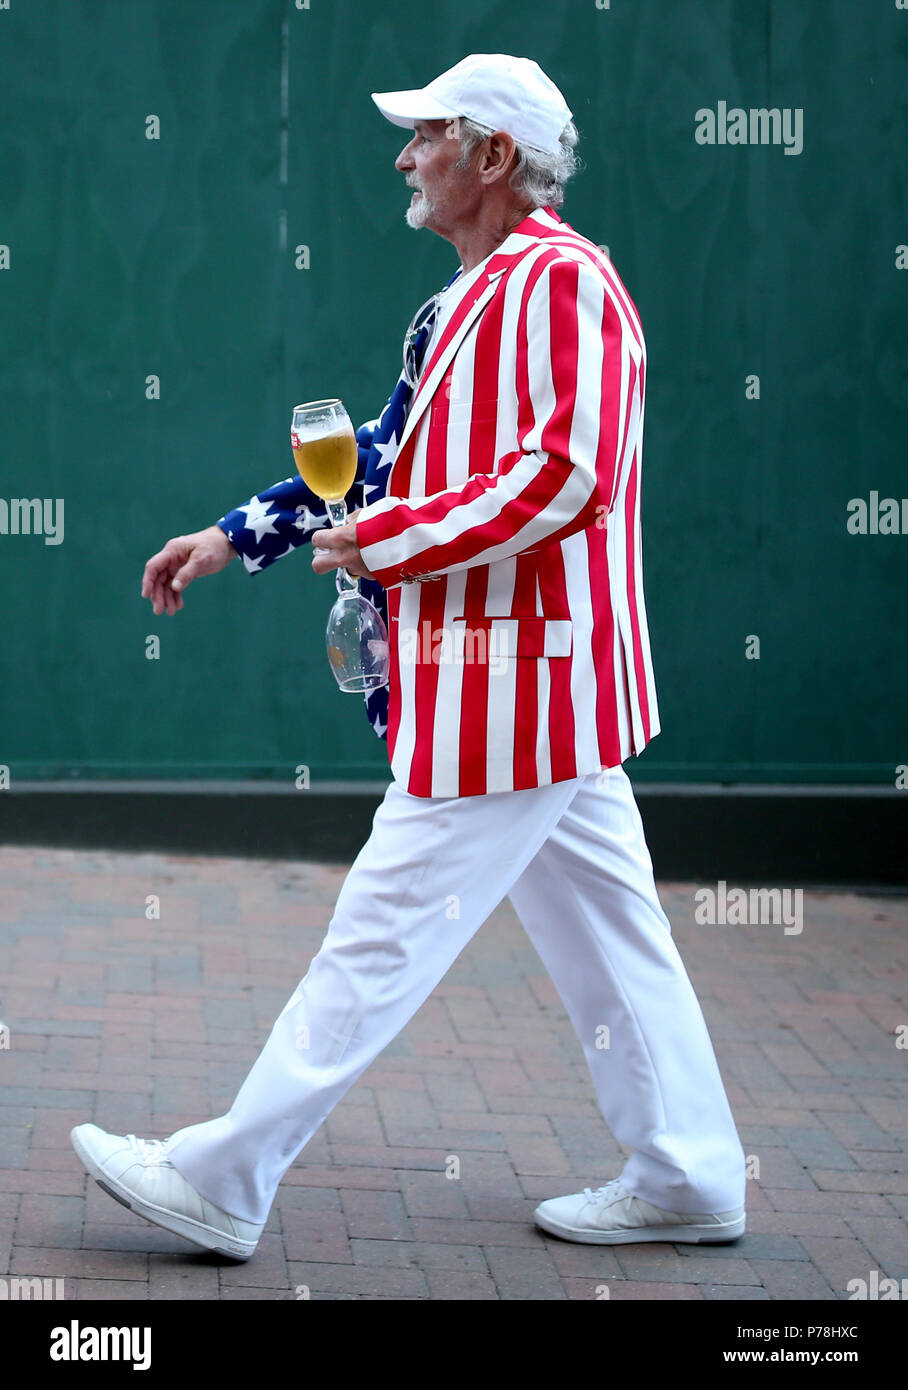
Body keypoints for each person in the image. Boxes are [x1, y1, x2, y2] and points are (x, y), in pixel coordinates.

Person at [71, 54, 746, 1261]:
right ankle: (688, 1174)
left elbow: (565, 475)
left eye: (425, 135)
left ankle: (225, 1176)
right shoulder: (459, 301)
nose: (402, 156)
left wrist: (374, 541)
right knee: (613, 934)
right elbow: (380, 456)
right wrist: (236, 536)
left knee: (377, 932)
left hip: (516, 686)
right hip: (529, 688)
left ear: (491, 156)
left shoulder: (562, 283)